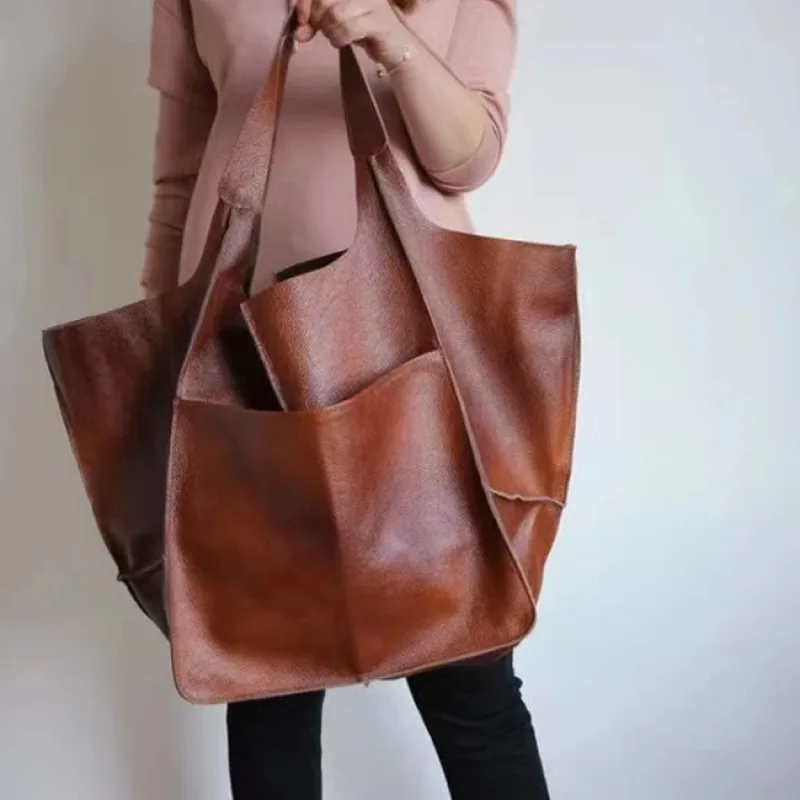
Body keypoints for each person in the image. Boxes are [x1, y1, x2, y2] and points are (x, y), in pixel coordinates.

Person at [142, 1, 550, 798]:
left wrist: (387, 35)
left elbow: (469, 160)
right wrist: (162, 343)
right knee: (269, 687)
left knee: (469, 676)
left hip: (408, 356)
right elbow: (179, 175)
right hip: (233, 354)